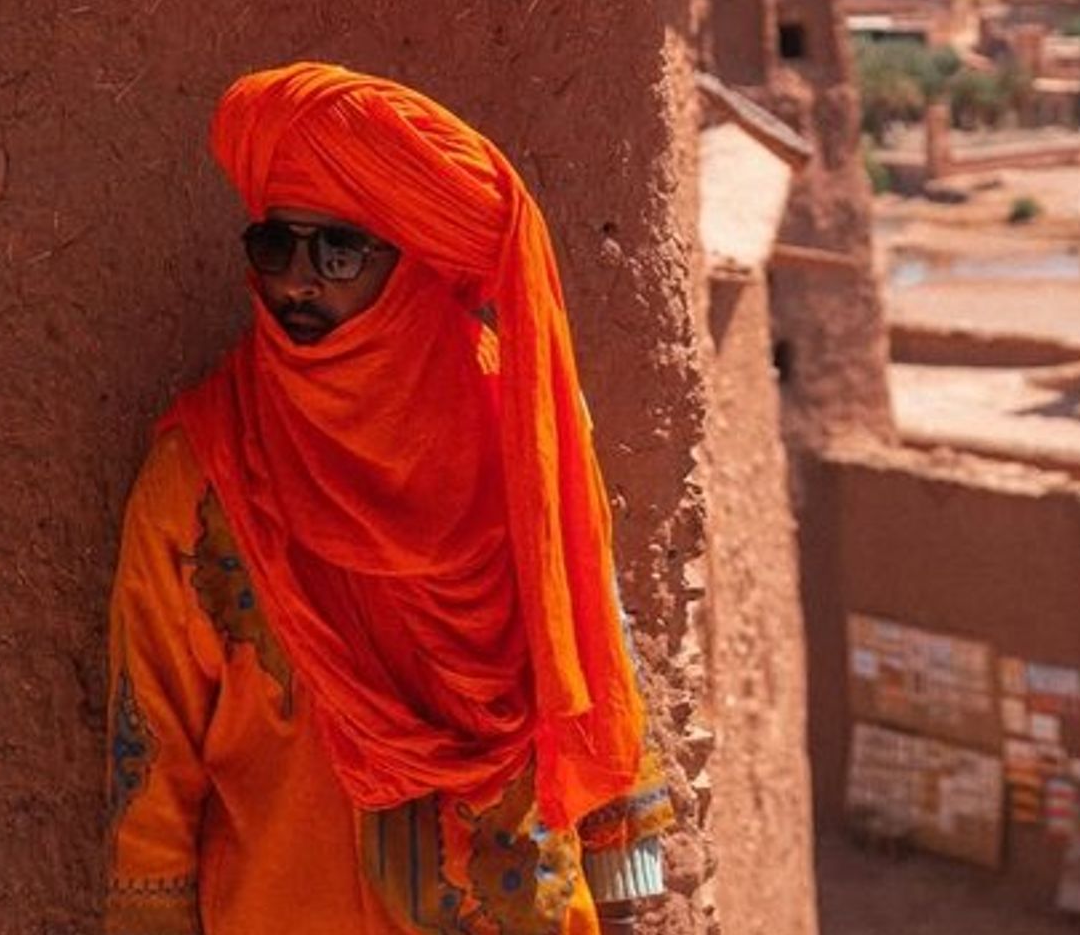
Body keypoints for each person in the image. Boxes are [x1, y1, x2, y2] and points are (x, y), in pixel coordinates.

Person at [104, 63, 670, 935]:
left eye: (338, 252)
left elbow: (589, 638)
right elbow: (154, 735)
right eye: (274, 247)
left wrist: (624, 866)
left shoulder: (517, 430)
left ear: (415, 262)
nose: (297, 282)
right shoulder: (204, 473)